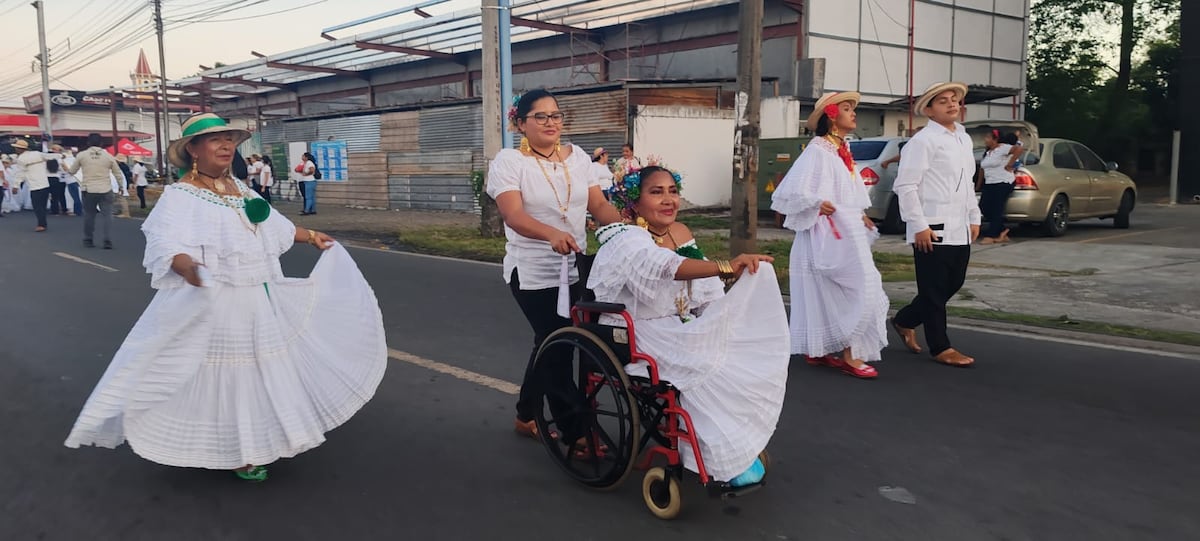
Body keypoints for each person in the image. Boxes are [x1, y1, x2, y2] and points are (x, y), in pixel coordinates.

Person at [64, 113, 387, 483]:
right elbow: (166, 244)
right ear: (193, 150)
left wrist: (312, 235)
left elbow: (275, 226)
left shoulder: (239, 189)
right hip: (218, 301)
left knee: (261, 370)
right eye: (215, 139)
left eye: (229, 139)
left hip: (257, 298)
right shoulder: (180, 196)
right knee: (230, 373)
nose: (226, 145)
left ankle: (263, 438)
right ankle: (237, 450)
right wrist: (189, 268)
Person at [592, 164, 786, 486]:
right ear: (634, 203)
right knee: (706, 361)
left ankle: (732, 444)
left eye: (672, 191)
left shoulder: (678, 232)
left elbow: (705, 291)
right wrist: (725, 266)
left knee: (735, 349)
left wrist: (720, 316)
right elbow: (666, 266)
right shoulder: (624, 237)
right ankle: (718, 452)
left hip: (679, 324)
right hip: (638, 331)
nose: (668, 200)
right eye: (656, 192)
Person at [485, 89, 624, 440]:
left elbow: (599, 205)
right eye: (541, 117)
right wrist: (549, 234)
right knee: (558, 344)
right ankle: (576, 431)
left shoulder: (577, 157)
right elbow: (513, 215)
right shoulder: (509, 162)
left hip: (576, 266)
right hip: (532, 271)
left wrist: (626, 230)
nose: (551, 123)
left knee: (550, 340)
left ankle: (526, 413)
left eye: (556, 115)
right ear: (520, 123)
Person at [771, 91, 888, 379]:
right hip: (825, 233)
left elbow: (847, 192)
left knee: (844, 288)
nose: (854, 113)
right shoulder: (818, 149)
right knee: (858, 286)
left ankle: (821, 349)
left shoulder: (841, 149)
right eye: (847, 108)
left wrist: (860, 215)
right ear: (832, 116)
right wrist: (814, 203)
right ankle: (851, 354)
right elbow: (790, 191)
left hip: (845, 231)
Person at [891, 82, 981, 367]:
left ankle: (905, 320)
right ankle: (940, 347)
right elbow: (906, 185)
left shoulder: (963, 139)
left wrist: (974, 216)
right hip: (931, 225)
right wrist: (918, 224)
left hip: (960, 226)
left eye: (954, 100)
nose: (952, 104)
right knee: (933, 289)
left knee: (953, 283)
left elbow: (967, 183)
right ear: (929, 110)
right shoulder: (923, 141)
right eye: (943, 101)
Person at [68, 134, 124, 248]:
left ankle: (88, 239)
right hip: (106, 189)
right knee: (107, 216)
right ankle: (107, 240)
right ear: (101, 144)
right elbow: (117, 173)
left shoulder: (82, 155)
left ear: (88, 143)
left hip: (89, 189)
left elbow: (72, 171)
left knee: (89, 215)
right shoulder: (108, 156)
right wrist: (121, 186)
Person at [12, 139, 63, 232]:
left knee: (37, 206)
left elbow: (20, 174)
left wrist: (15, 185)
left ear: (19, 149)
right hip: (44, 183)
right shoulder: (37, 154)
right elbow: (49, 156)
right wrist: (60, 155)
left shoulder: (21, 159)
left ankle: (41, 224)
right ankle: (43, 223)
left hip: (34, 185)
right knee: (42, 205)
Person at [976, 128, 1015, 244]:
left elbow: (1019, 149)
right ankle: (1002, 230)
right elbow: (982, 169)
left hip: (1003, 182)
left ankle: (991, 235)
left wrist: (1010, 164)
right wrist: (978, 185)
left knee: (997, 208)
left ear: (995, 139)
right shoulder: (988, 153)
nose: (985, 140)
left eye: (988, 137)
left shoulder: (1003, 148)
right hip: (990, 183)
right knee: (984, 207)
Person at [61, 148, 84, 216]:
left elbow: (67, 170)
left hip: (70, 180)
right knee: (77, 196)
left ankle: (77, 211)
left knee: (75, 197)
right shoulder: (74, 160)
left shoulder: (64, 161)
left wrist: (62, 163)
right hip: (77, 179)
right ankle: (77, 210)